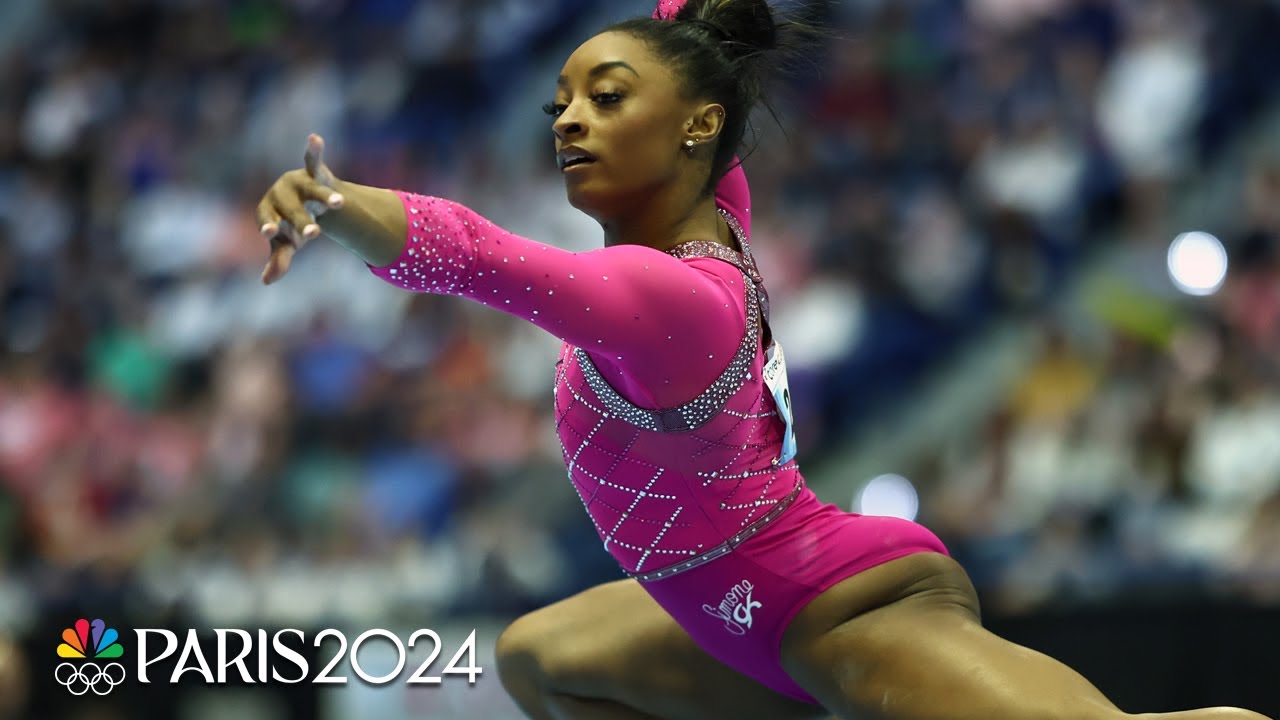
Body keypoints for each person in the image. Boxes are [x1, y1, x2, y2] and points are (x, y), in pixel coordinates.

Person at [254, 1, 1273, 719]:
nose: (567, 118)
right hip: (726, 609)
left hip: (833, 615)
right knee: (539, 660)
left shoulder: (672, 298)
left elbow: (480, 255)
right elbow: (700, 31)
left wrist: (339, 203)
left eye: (605, 98)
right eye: (559, 101)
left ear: (696, 128)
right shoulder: (707, 217)